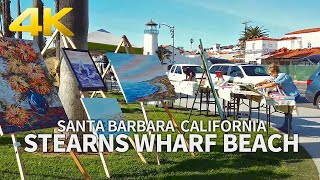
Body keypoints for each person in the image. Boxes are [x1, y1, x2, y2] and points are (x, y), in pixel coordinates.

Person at [255, 63, 300, 133]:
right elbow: (268, 80)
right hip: (286, 95)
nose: (270, 75)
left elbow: (272, 84)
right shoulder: (275, 76)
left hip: (293, 95)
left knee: (288, 111)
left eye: (271, 73)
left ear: (275, 71)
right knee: (286, 111)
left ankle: (287, 127)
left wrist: (259, 87)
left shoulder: (282, 75)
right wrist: (258, 83)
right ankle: (287, 126)